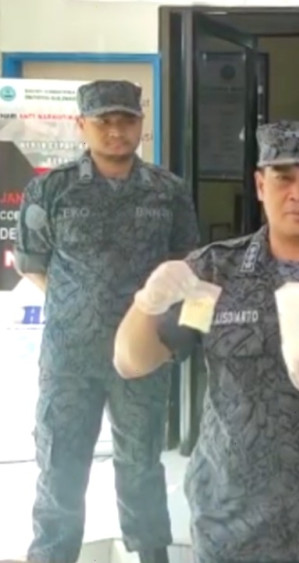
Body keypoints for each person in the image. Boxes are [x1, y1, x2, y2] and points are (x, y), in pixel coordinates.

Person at [112, 121, 299, 562]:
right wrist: (147, 302)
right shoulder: (215, 271)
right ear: (259, 185)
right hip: (229, 513)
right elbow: (131, 361)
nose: (298, 193)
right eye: (283, 178)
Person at [13, 80, 198, 563]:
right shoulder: (50, 189)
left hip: (141, 357)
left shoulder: (168, 191)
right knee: (60, 464)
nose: (116, 131)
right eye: (104, 121)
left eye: (126, 120)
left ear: (141, 124)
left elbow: (184, 262)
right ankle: (52, 555)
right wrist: (79, 305)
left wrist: (151, 325)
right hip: (70, 358)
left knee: (141, 465)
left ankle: (152, 554)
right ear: (82, 125)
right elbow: (31, 263)